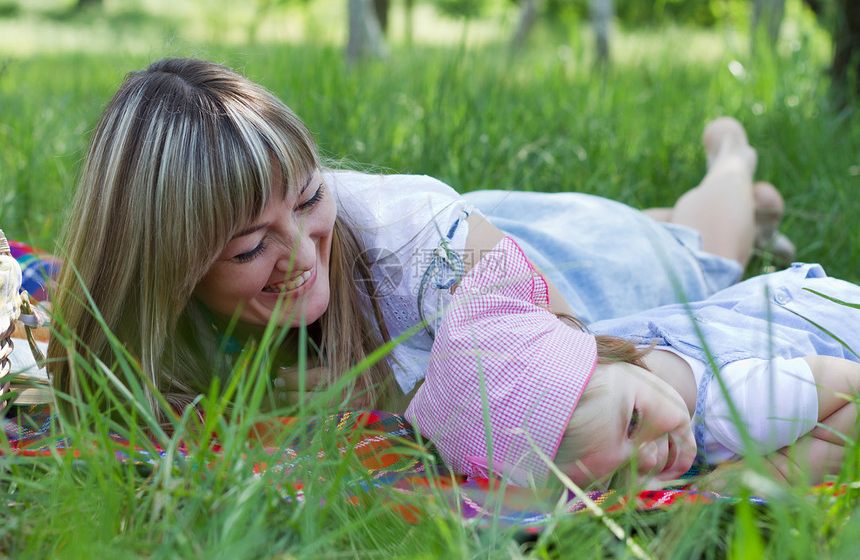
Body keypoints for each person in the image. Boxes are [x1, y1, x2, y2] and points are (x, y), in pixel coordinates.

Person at [47, 57, 791, 420]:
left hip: (545, 284)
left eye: (309, 197)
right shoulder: (130, 322)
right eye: (249, 248)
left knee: (699, 255)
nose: (302, 255)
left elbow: (585, 366)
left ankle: (731, 161)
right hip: (479, 237)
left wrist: (386, 392)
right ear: (167, 266)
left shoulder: (416, 244)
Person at [405, 236, 860, 489]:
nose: (650, 456)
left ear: (611, 353)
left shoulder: (741, 406)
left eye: (633, 423)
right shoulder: (607, 375)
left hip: (833, 323)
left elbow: (851, 390)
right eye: (615, 477)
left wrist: (772, 473)